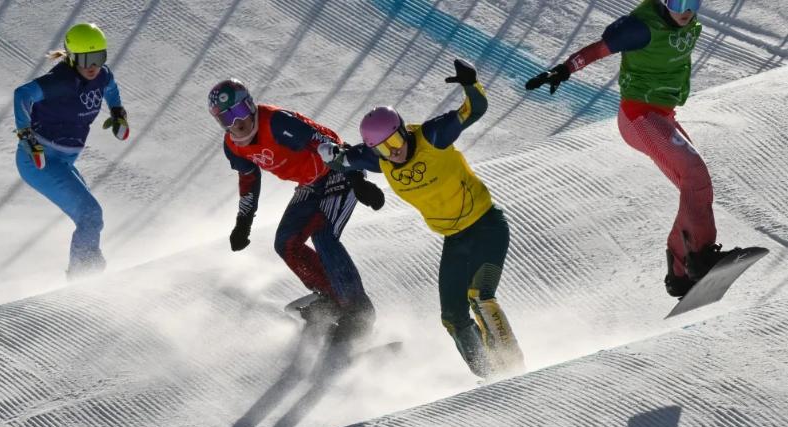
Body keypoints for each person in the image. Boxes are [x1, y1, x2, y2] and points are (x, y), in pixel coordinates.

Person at [317, 59, 525, 378]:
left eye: (397, 141)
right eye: (385, 149)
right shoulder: (378, 159)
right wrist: (330, 156)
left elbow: (476, 108)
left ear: (404, 129)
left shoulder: (434, 136)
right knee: (453, 317)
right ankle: (490, 377)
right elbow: (344, 161)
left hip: (486, 226)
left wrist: (471, 83)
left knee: (480, 296)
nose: (394, 152)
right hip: (455, 240)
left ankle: (515, 370)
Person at [525, 0, 740, 297]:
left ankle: (680, 274)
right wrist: (564, 69)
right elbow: (599, 49)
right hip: (639, 116)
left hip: (661, 115)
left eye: (694, 2)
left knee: (694, 186)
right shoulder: (641, 28)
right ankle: (701, 258)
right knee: (695, 175)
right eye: (679, 2)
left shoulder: (687, 23)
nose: (686, 10)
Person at [208, 79, 385, 343]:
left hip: (338, 171)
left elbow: (326, 143)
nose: (237, 122)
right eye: (226, 118)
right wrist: (243, 222)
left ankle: (358, 312)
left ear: (251, 105)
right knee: (285, 244)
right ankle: (333, 298)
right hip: (310, 184)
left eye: (241, 111)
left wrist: (357, 181)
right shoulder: (233, 146)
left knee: (323, 235)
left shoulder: (278, 123)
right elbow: (248, 181)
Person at [14, 23, 130, 280]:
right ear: (71, 57)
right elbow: (22, 94)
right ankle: (81, 279)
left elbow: (110, 86)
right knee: (90, 214)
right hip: (39, 160)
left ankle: (88, 270)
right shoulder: (60, 81)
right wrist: (25, 136)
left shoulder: (101, 75)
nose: (92, 65)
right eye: (85, 59)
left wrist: (117, 112)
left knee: (92, 218)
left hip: (64, 161)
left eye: (98, 57)